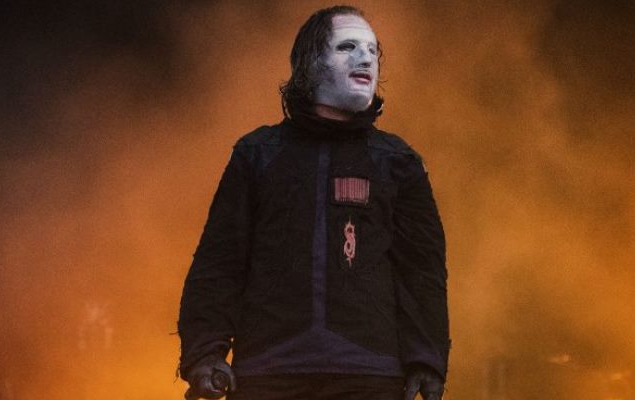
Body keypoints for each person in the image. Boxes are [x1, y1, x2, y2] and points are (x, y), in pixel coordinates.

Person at [177, 6, 448, 400]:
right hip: (268, 374)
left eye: (373, 50)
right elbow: (220, 261)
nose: (366, 58)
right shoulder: (258, 154)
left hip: (370, 378)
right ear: (311, 64)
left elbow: (422, 270)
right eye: (347, 46)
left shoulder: (397, 161)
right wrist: (204, 354)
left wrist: (426, 360)